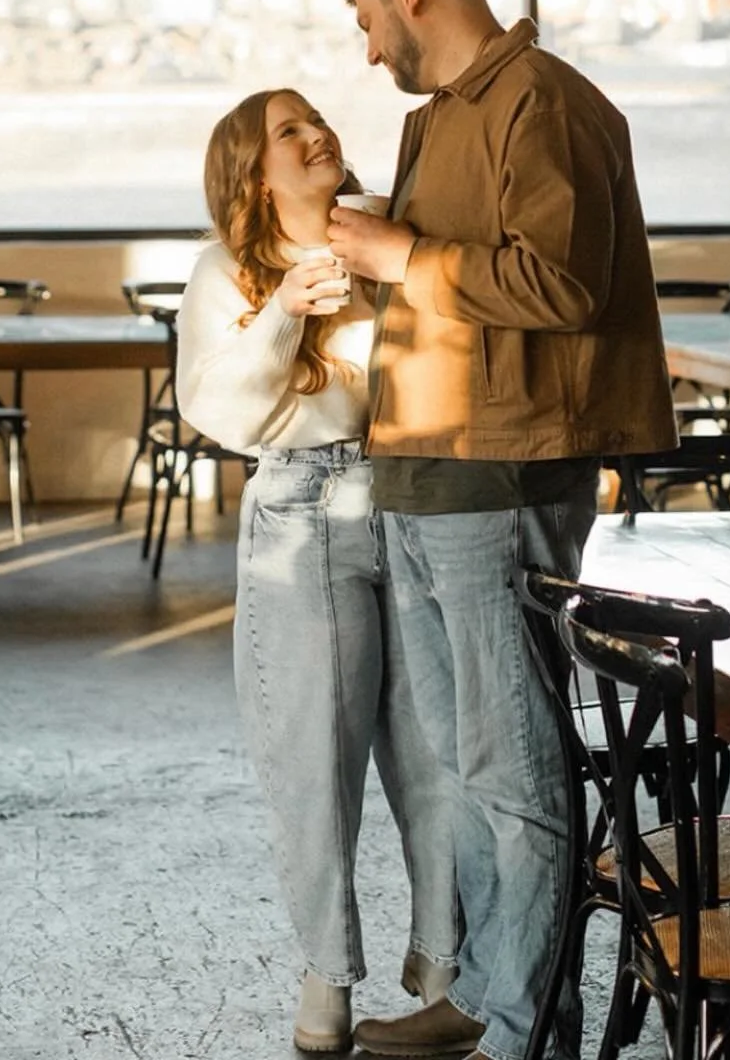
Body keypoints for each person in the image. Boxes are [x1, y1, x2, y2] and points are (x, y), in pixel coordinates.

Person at [327, 0, 678, 1060]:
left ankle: (529, 1027)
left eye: (368, 20)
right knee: (462, 762)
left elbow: (562, 284)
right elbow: (454, 284)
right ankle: (482, 996)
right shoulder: (439, 116)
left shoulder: (549, 103)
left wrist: (401, 259)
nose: (369, 50)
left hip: (504, 470)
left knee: (516, 767)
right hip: (422, 468)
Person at [177, 87, 458, 1055]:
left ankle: (445, 971)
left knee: (436, 759)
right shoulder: (226, 271)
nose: (315, 135)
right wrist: (283, 312)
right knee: (315, 762)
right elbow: (216, 415)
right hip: (301, 506)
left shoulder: (389, 237)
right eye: (287, 133)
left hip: (414, 497)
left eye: (315, 120)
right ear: (254, 173)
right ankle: (326, 972)